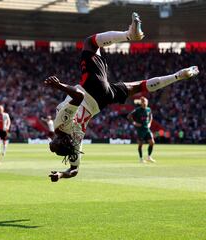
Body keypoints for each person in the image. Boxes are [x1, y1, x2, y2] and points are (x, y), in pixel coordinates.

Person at [47, 12, 199, 182]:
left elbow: (74, 170)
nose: (51, 148)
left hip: (102, 101)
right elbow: (78, 97)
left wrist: (60, 174)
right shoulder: (61, 125)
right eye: (54, 148)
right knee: (90, 43)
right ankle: (129, 35)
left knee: (140, 86)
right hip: (91, 89)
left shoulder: (74, 145)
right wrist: (58, 85)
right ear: (60, 139)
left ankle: (177, 76)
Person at [128, 97, 155, 163]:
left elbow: (151, 116)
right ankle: (141, 159)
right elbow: (129, 116)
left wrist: (150, 123)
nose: (145, 103)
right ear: (141, 103)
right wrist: (134, 123)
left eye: (146, 102)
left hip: (147, 128)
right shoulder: (137, 110)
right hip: (140, 130)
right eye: (144, 102)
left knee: (152, 142)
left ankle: (149, 157)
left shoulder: (148, 109)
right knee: (141, 144)